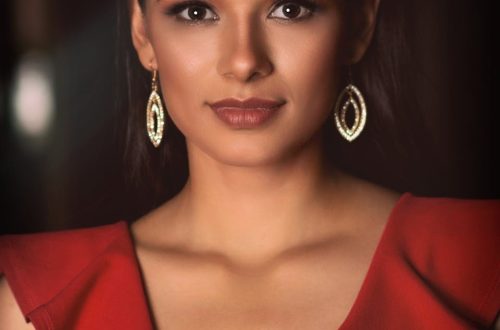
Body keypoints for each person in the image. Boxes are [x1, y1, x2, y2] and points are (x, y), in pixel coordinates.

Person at [1, 0, 499, 329]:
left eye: (289, 8)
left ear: (360, 26)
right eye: (196, 11)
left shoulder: (477, 268)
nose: (243, 61)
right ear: (143, 31)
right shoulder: (37, 306)